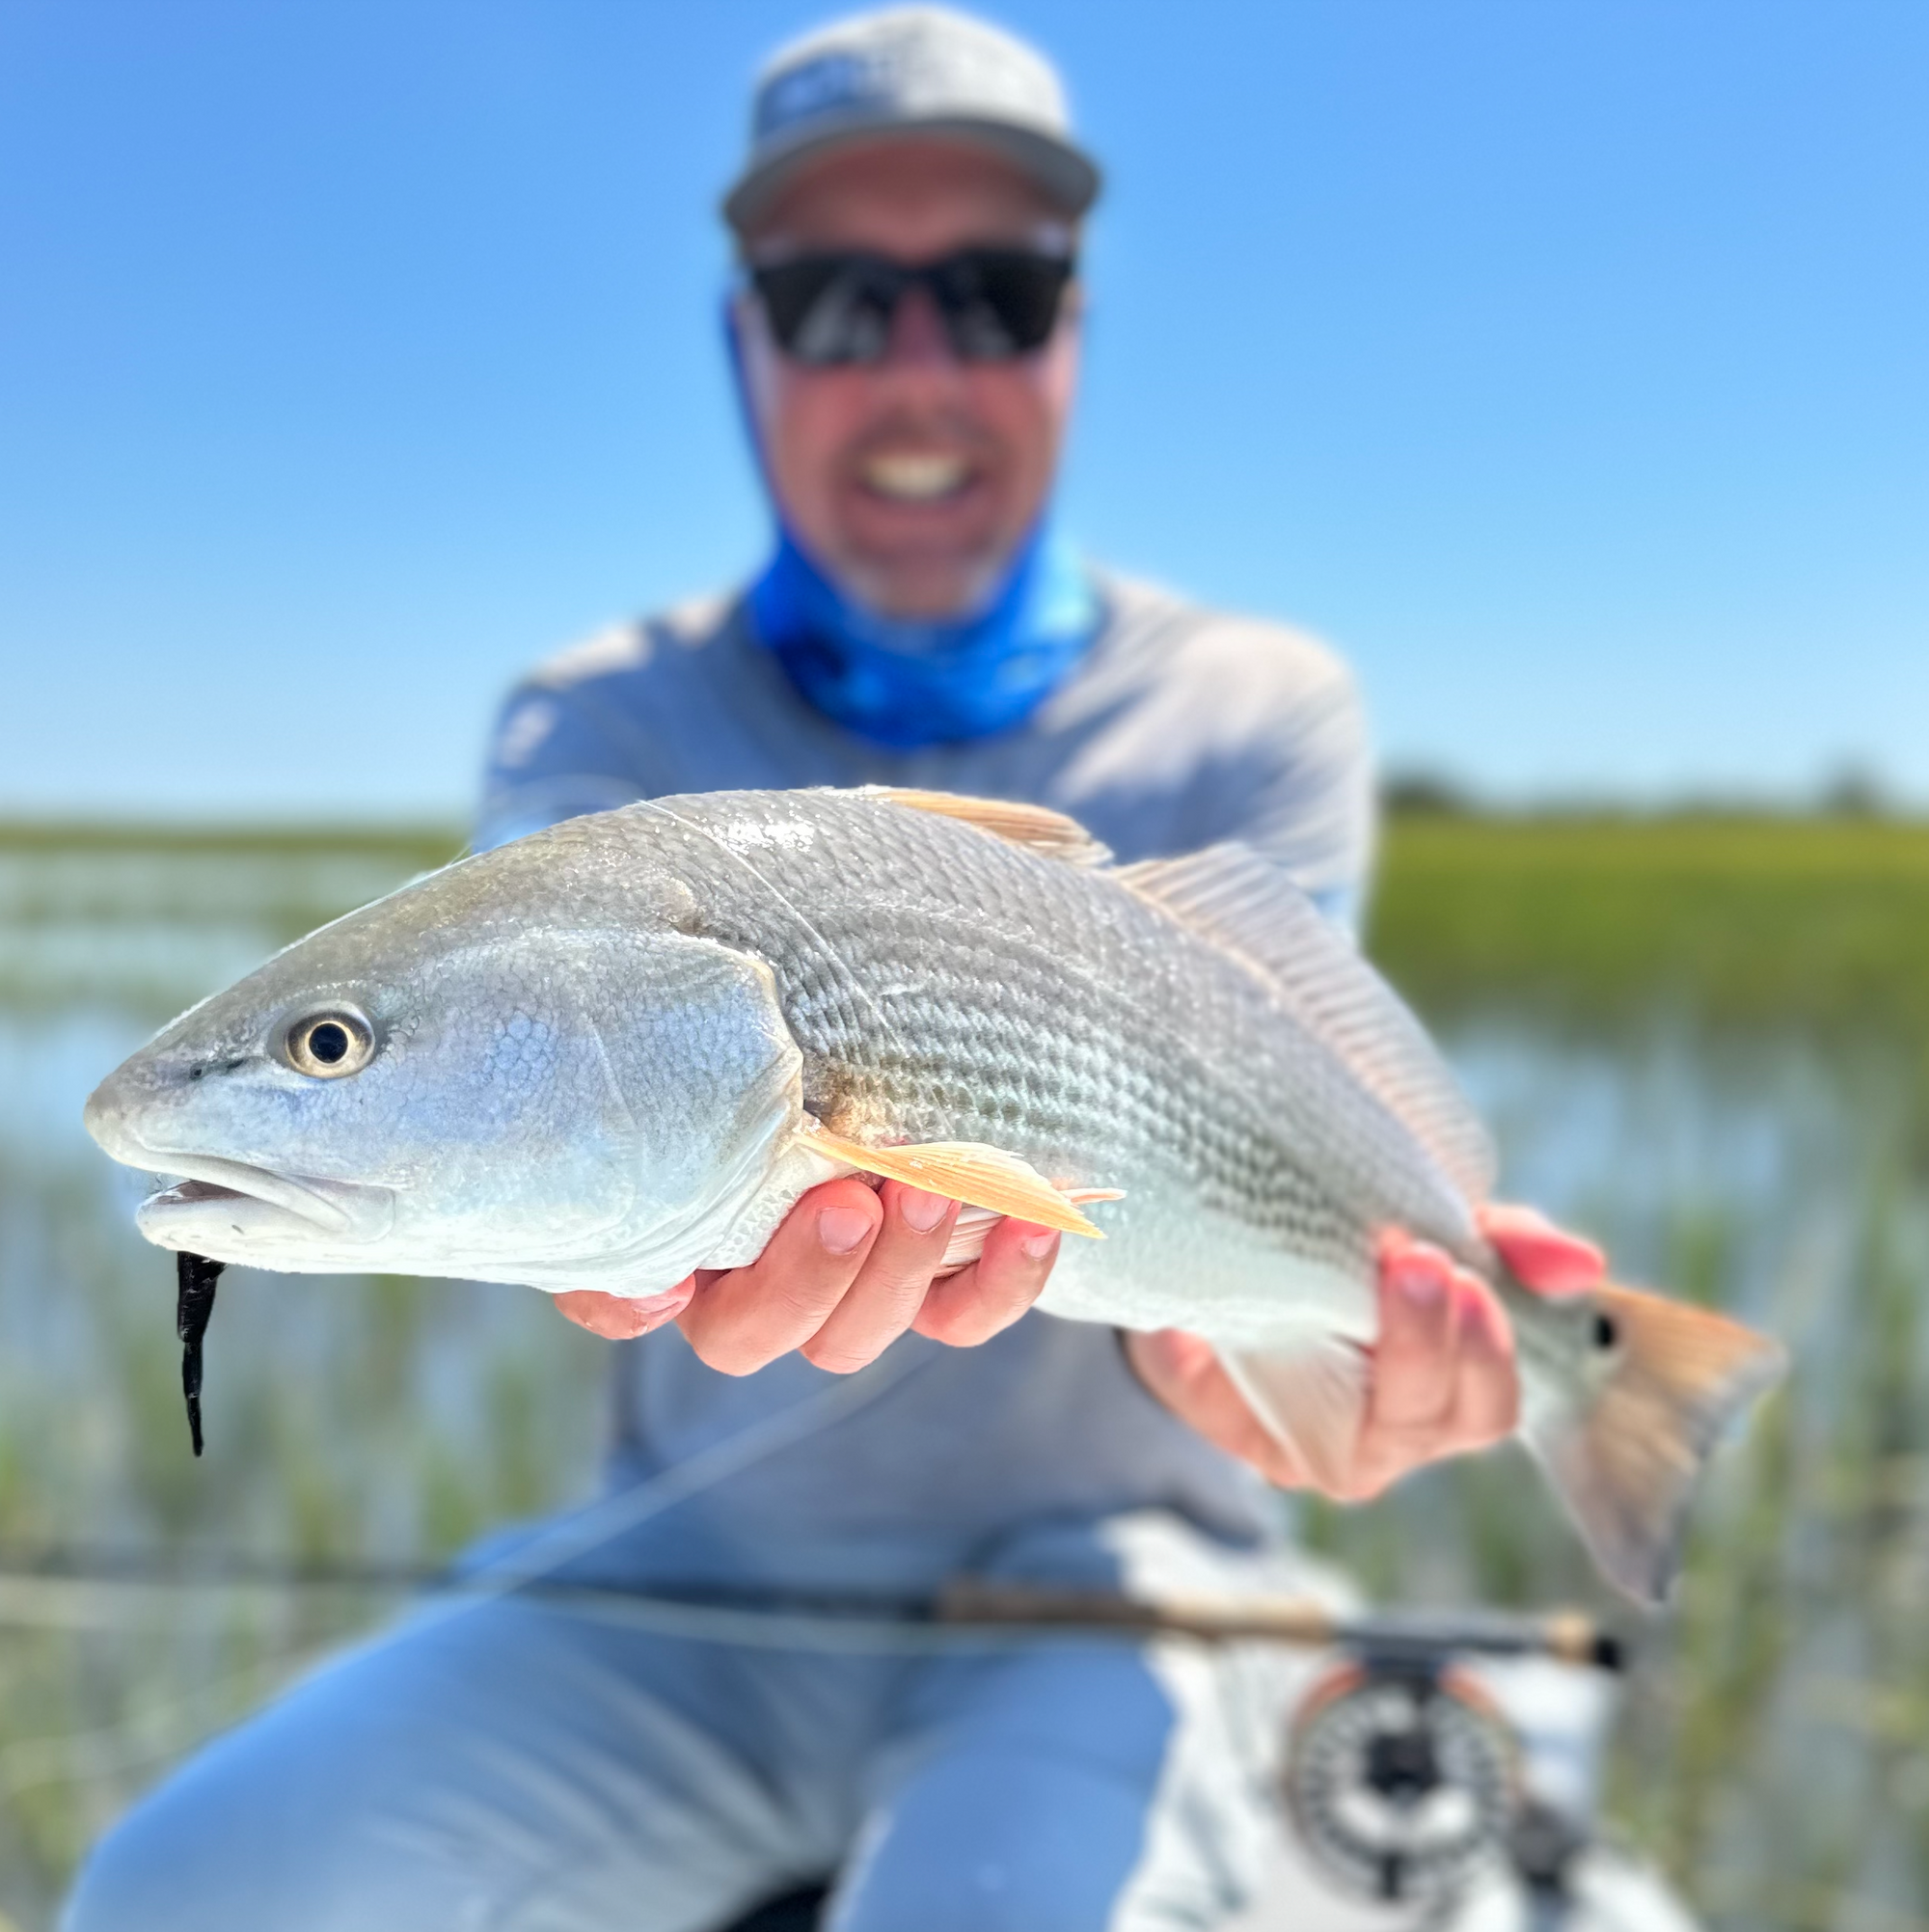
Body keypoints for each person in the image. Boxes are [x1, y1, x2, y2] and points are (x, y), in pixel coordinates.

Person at [65, 11, 1617, 1930]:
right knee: (180, 1886)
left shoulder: (1252, 705)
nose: (912, 365)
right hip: (696, 1586)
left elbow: (1220, 1144)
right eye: (826, 301)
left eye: (991, 289)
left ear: (1070, 332)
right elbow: (595, 1200)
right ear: (740, 346)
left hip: (1109, 1581)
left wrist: (1311, 1357)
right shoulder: (598, 716)